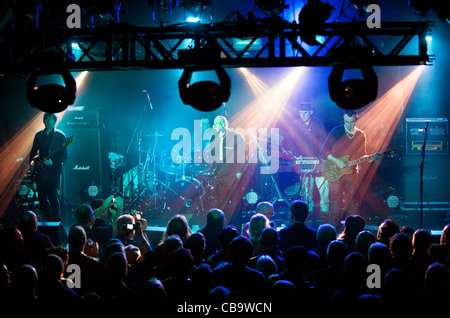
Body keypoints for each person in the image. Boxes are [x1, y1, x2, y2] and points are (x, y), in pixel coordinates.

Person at [320, 110, 378, 227]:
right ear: (343, 119)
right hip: (336, 172)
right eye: (346, 122)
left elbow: (362, 156)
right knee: (336, 203)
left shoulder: (360, 134)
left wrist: (372, 158)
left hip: (352, 173)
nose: (349, 125)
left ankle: (352, 231)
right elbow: (323, 151)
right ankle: (332, 231)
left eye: (352, 122)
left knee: (353, 204)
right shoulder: (336, 131)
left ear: (356, 120)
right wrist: (337, 161)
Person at [286, 102, 329, 222]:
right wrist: (297, 156)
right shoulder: (294, 125)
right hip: (303, 160)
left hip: (318, 161)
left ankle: (325, 214)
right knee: (307, 191)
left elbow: (323, 141)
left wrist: (320, 156)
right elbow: (291, 142)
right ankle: (308, 215)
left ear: (311, 112)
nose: (303, 115)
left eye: (305, 113)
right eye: (301, 113)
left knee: (324, 189)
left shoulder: (318, 123)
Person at [206, 115, 246, 226]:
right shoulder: (214, 138)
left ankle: (235, 229)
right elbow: (213, 154)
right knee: (220, 203)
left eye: (222, 122)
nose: (220, 125)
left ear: (227, 124)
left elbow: (241, 155)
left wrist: (239, 173)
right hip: (219, 174)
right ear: (214, 126)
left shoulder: (236, 137)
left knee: (235, 203)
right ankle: (221, 227)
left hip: (233, 174)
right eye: (218, 123)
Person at [29, 112, 68, 222]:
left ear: (55, 121)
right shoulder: (38, 135)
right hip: (41, 170)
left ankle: (56, 220)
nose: (48, 121)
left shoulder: (60, 136)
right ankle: (48, 218)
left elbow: (64, 156)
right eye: (46, 119)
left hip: (53, 171)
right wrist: (31, 163)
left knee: (52, 196)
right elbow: (33, 151)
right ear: (43, 121)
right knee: (41, 197)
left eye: (51, 119)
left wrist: (53, 162)